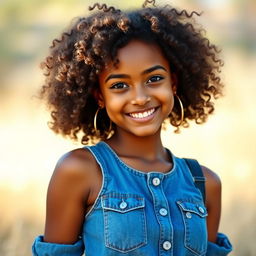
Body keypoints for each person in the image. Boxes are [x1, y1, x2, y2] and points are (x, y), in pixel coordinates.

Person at [32, 1, 233, 255]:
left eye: (154, 79)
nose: (140, 97)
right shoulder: (80, 171)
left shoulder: (205, 183)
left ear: (173, 83)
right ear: (100, 96)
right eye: (119, 85)